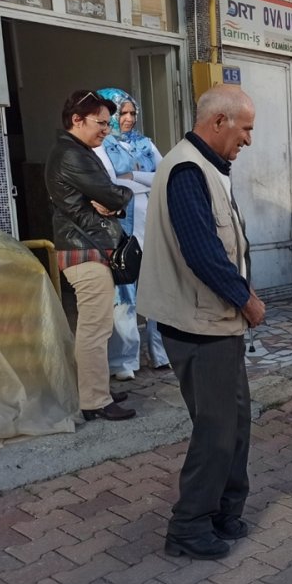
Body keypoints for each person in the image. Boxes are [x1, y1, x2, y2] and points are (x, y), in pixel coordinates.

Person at [138, 85, 266, 561]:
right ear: (218, 122)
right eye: (246, 128)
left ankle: (222, 512)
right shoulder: (187, 170)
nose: (249, 139)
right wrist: (246, 300)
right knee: (215, 430)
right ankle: (188, 527)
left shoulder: (208, 167)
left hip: (216, 325)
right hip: (198, 326)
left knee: (235, 425)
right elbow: (202, 252)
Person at [46, 89, 136, 422]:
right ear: (76, 120)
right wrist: (118, 197)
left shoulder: (77, 151)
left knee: (97, 326)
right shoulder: (73, 155)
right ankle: (95, 400)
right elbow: (113, 193)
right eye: (101, 123)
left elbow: (107, 198)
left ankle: (96, 391)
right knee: (95, 329)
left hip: (87, 247)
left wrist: (111, 202)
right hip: (84, 251)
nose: (107, 130)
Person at [93, 87, 170, 380]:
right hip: (121, 232)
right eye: (121, 113)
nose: (127, 119)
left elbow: (164, 176)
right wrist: (138, 182)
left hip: (151, 227)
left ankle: (161, 354)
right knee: (123, 297)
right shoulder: (100, 147)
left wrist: (133, 177)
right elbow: (111, 185)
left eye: (131, 113)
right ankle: (124, 362)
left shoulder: (144, 143)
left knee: (158, 292)